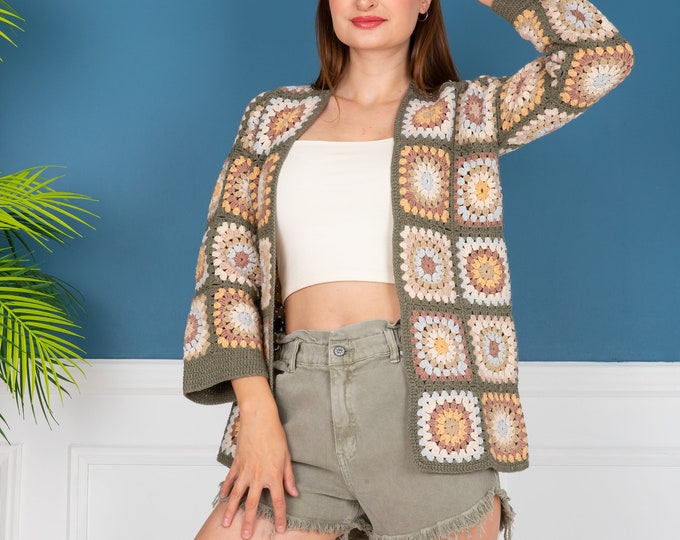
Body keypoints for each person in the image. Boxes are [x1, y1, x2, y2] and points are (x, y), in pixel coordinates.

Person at [182, 0, 633, 538]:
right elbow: (227, 266)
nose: (365, 2)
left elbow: (600, 56)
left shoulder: (464, 115)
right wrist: (256, 408)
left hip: (429, 408)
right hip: (292, 402)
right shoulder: (271, 117)